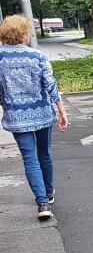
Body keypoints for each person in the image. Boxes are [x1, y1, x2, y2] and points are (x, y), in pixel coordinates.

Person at [0, 15, 68, 220]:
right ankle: (48, 192)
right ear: (24, 34)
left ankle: (42, 203)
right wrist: (62, 112)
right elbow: (51, 86)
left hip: (16, 117)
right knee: (44, 155)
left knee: (30, 159)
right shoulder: (37, 57)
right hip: (42, 114)